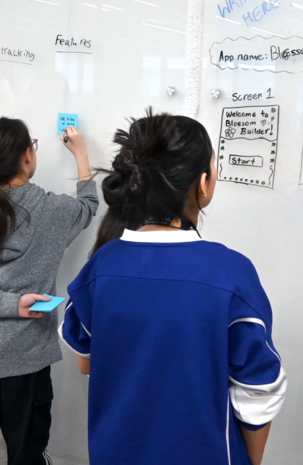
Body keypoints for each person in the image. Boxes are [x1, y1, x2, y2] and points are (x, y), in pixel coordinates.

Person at [59, 109, 287, 465]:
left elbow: (86, 363)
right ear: (204, 184)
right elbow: (258, 392)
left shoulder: (101, 267)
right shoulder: (230, 274)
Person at [0, 117, 98, 465]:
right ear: (27, 156)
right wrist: (82, 155)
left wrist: (8, 303)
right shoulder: (53, 211)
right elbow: (88, 207)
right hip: (28, 359)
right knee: (28, 454)